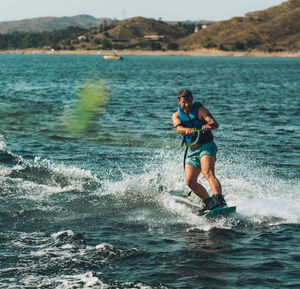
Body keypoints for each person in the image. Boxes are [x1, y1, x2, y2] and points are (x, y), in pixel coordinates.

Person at [172, 89, 227, 215]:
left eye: (190, 101)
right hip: (192, 150)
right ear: (179, 101)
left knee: (208, 173)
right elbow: (178, 128)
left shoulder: (200, 110)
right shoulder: (176, 115)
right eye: (184, 102)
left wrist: (207, 126)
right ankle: (209, 203)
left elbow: (214, 123)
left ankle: (219, 201)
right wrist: (186, 130)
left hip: (206, 146)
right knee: (190, 182)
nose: (187, 104)